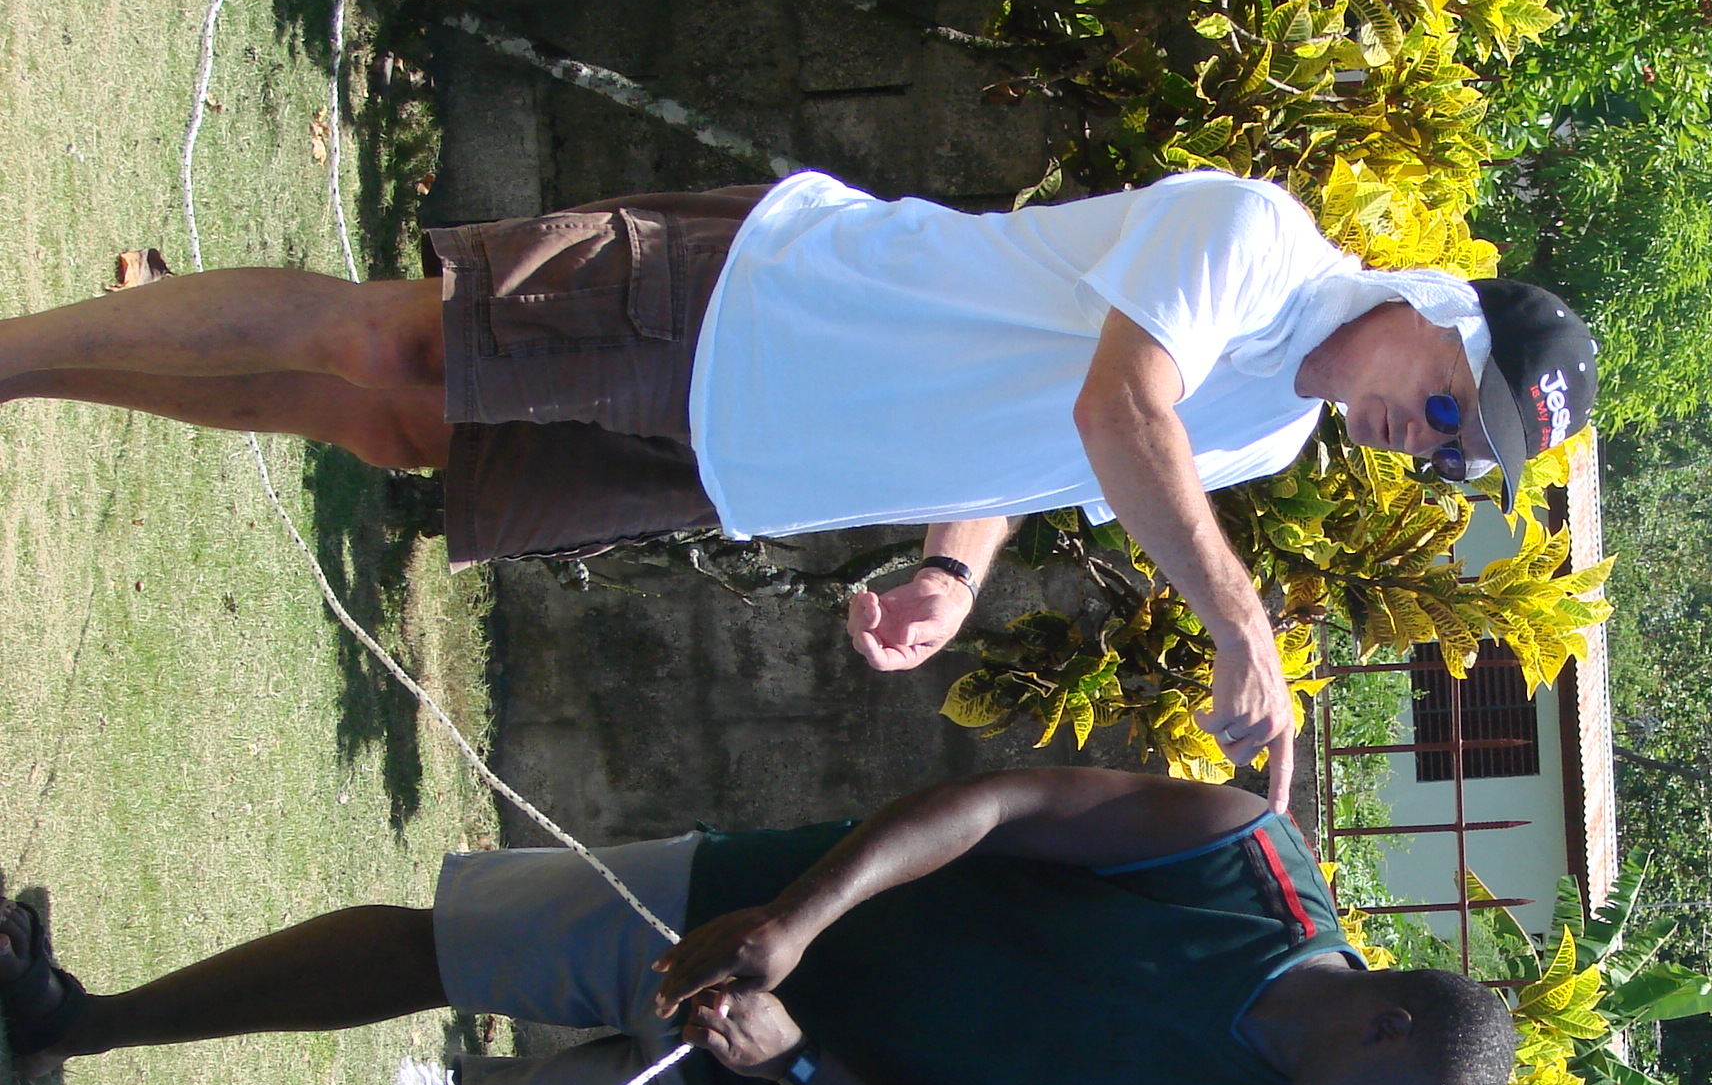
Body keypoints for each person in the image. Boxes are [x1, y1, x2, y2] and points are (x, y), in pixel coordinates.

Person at [0, 172, 1599, 806]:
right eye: (1445, 405)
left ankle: (43, 377)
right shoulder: (1254, 242)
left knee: (403, 433)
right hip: (750, 303)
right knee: (394, 344)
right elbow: (1122, 407)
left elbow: (1047, 449)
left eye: (1454, 456)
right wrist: (1239, 620)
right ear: (1431, 305)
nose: (1425, 442)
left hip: (740, 462)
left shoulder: (1267, 437)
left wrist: (954, 571)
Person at [0, 769, 1519, 1085]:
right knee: (433, 948)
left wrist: (795, 1069)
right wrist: (790, 923)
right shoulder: (1240, 859)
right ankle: (76, 1022)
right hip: (732, 910)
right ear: (1387, 1022)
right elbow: (996, 807)